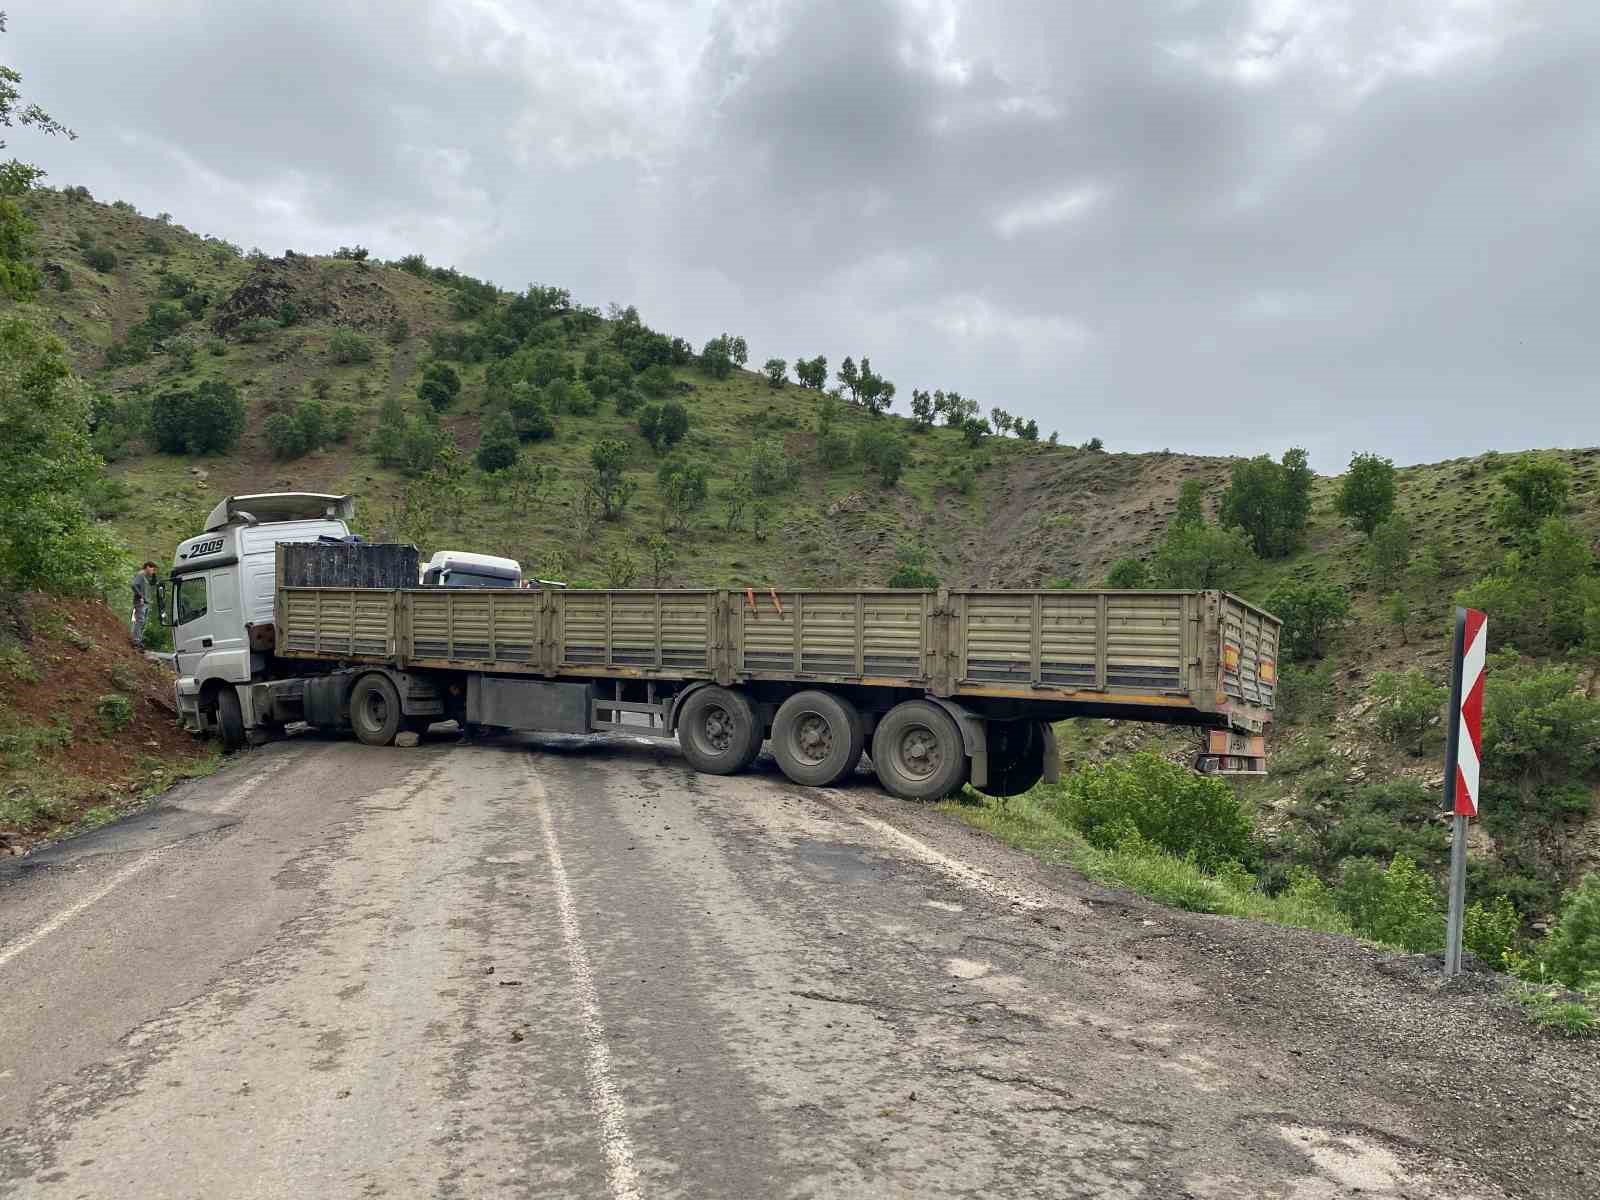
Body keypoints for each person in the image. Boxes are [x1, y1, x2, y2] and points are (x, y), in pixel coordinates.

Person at [130, 561, 158, 647]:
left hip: (146, 602)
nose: (154, 571)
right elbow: (134, 585)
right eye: (153, 569)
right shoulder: (141, 574)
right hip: (140, 602)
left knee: (143, 622)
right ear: (148, 567)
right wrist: (140, 596)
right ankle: (136, 641)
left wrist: (154, 575)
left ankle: (139, 640)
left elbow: (153, 583)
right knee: (140, 621)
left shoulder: (146, 577)